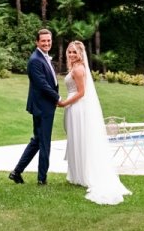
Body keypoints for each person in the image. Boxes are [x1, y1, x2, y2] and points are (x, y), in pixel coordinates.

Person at [57, 40, 131, 205]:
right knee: (76, 140)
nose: (71, 54)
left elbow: (82, 93)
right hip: (74, 106)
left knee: (80, 139)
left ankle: (84, 176)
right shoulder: (75, 68)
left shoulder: (78, 69)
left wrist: (64, 103)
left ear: (80, 54)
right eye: (69, 52)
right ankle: (78, 175)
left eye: (74, 52)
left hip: (77, 107)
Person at [9, 29, 60, 185]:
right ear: (37, 42)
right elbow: (43, 85)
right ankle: (41, 179)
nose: (46, 43)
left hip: (44, 106)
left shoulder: (44, 57)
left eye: (49, 40)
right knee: (44, 143)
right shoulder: (35, 60)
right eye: (43, 41)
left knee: (37, 141)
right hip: (42, 107)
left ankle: (16, 172)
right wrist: (58, 98)